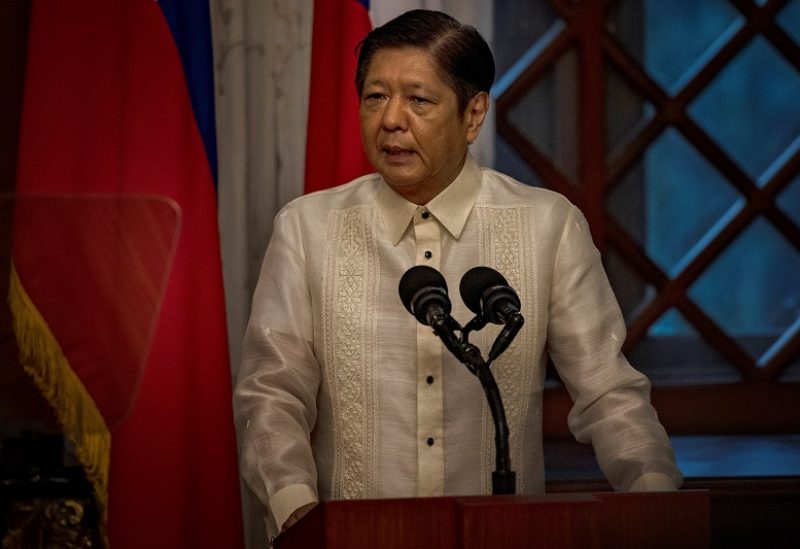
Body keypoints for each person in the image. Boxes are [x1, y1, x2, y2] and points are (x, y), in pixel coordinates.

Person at [234, 9, 683, 539]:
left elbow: (608, 394)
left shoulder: (547, 226)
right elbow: (272, 394)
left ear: (473, 115)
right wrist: (296, 513)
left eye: (418, 100)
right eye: (375, 96)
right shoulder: (308, 229)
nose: (391, 120)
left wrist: (658, 506)